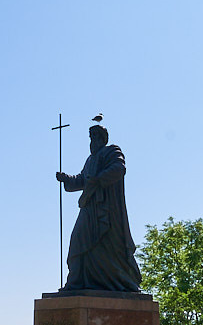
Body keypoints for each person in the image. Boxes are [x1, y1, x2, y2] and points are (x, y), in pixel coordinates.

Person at [54, 122, 142, 292]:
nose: (92, 140)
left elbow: (119, 168)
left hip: (106, 211)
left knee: (108, 249)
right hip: (89, 207)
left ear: (103, 139)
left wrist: (98, 179)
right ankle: (75, 282)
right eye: (91, 137)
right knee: (77, 242)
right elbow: (81, 180)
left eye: (96, 136)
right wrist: (67, 179)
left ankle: (120, 282)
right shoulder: (90, 160)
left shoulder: (112, 151)